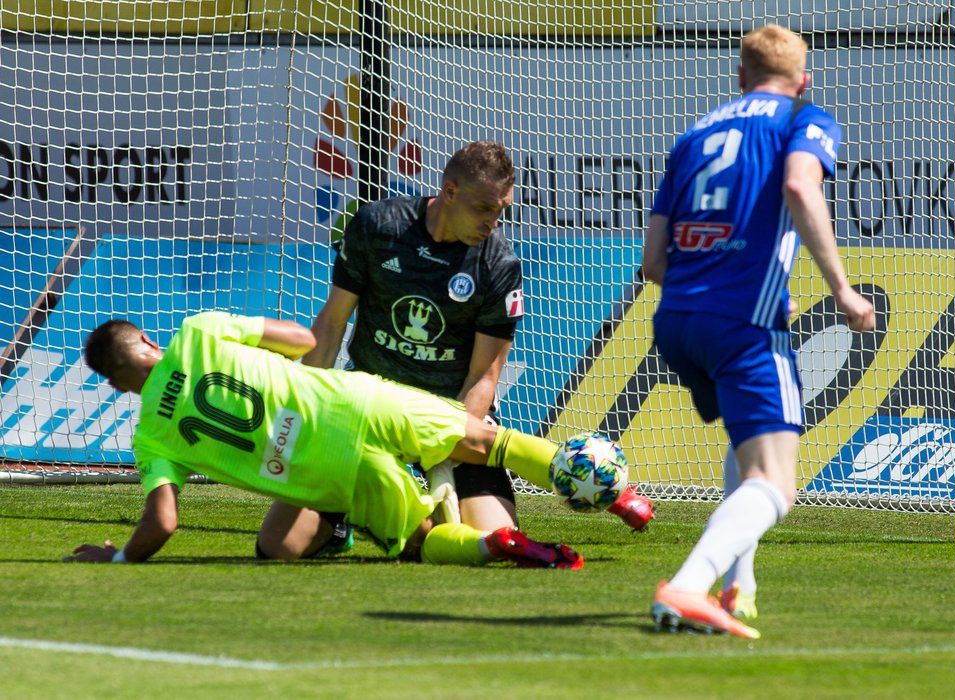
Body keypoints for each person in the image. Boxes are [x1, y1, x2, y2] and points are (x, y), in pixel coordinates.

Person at [257, 140, 653, 561]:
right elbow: (333, 321)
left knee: (493, 540)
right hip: (368, 411)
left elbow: (485, 377)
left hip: (454, 415)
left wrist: (435, 441)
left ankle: (598, 486)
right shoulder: (378, 226)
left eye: (501, 209)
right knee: (278, 547)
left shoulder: (498, 264)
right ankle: (355, 519)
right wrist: (306, 403)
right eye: (484, 208)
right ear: (449, 192)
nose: (492, 222)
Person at [641, 25, 875, 638]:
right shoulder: (803, 117)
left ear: (740, 76)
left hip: (676, 320)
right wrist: (842, 287)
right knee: (776, 483)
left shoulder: (693, 136)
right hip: (742, 321)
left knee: (749, 450)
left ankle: (737, 587)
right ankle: (689, 588)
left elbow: (653, 262)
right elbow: (800, 184)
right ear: (802, 80)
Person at [65, 311, 595, 569]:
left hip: (329, 469)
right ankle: (615, 493)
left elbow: (163, 523)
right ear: (149, 341)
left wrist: (119, 558)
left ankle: (492, 543)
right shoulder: (199, 331)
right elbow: (305, 340)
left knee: (418, 540)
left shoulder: (151, 439)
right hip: (355, 402)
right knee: (483, 439)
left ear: (116, 383)